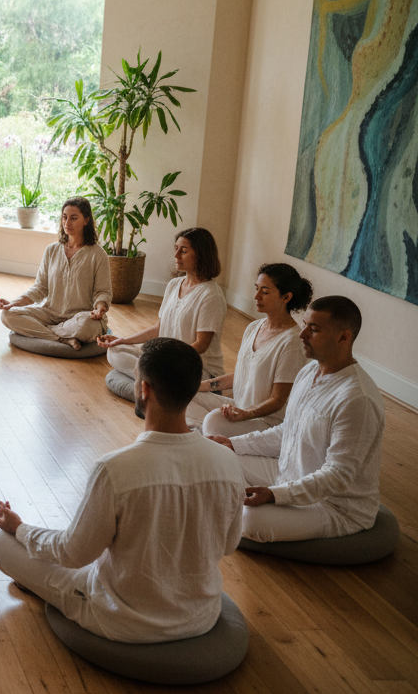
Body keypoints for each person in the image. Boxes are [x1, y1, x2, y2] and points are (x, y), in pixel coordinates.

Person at [0, 338, 245, 643]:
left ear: (144, 389)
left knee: (0, 544)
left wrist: (19, 528)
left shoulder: (114, 468)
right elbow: (229, 544)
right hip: (200, 615)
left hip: (122, 619)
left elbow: (72, 554)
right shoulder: (227, 461)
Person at [208, 296, 385, 543]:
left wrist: (275, 495)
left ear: (343, 337)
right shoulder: (309, 371)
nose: (301, 334)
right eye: (305, 325)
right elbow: (286, 431)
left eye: (314, 329)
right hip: (288, 474)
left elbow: (338, 476)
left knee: (249, 520)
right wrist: (234, 444)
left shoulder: (357, 399)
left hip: (333, 506)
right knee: (217, 456)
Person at [188, 263, 312, 434]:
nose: (256, 296)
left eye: (265, 292)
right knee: (185, 395)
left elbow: (278, 400)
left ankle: (203, 434)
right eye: (257, 289)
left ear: (286, 297)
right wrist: (195, 386)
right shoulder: (254, 327)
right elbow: (241, 374)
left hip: (265, 422)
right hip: (239, 410)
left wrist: (246, 414)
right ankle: (203, 434)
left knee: (214, 421)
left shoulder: (292, 342)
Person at [98, 227, 227, 382]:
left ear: (201, 255)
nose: (176, 255)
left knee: (150, 366)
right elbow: (159, 328)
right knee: (115, 351)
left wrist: (166, 359)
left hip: (195, 368)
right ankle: (156, 380)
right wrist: (122, 340)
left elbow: (201, 345)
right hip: (166, 360)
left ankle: (153, 379)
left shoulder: (211, 295)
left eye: (184, 251)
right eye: (176, 249)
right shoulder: (174, 285)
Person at [0, 197, 111, 348]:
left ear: (86, 220)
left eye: (73, 218)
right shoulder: (52, 250)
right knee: (8, 315)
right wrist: (13, 303)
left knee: (88, 327)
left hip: (80, 317)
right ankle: (61, 338)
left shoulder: (98, 254)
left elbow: (102, 292)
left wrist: (100, 308)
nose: (67, 223)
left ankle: (45, 332)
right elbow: (40, 288)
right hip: (50, 313)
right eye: (64, 217)